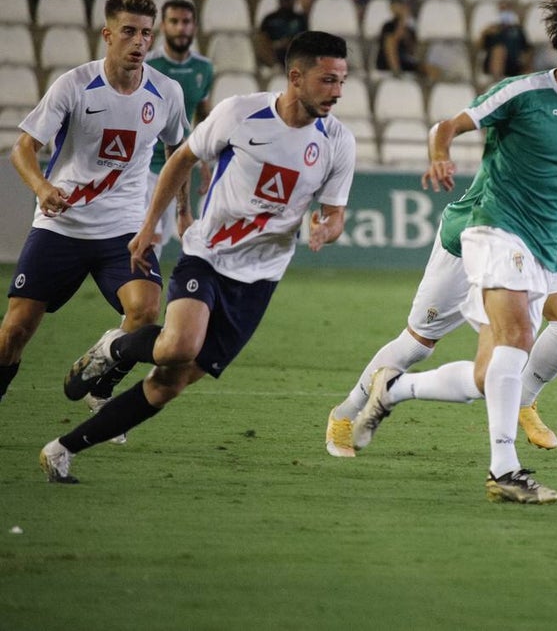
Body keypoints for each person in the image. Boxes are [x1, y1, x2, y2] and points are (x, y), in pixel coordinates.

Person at [41, 31, 357, 484]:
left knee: (168, 384)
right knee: (176, 346)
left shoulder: (338, 142)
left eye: (342, 82)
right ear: (296, 77)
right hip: (207, 255)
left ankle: (62, 449)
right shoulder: (240, 113)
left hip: (259, 280)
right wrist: (152, 224)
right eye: (328, 81)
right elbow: (180, 159)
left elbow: (335, 213)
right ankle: (115, 346)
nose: (338, 92)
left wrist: (327, 228)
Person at [360, 0, 557, 504]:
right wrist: (439, 156)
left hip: (541, 236)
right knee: (517, 337)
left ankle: (394, 389)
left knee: (556, 331)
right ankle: (504, 470)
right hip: (495, 226)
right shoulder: (523, 93)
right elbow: (448, 127)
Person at [325, 179, 557, 458]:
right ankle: (346, 413)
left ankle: (521, 404)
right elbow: (541, 201)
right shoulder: (531, 116)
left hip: (529, 237)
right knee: (418, 343)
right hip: (475, 234)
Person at [0, 0, 188, 413]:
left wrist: (183, 209)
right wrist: (43, 189)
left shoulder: (166, 93)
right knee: (15, 330)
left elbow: (181, 156)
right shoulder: (74, 85)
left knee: (145, 312)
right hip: (60, 227)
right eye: (129, 32)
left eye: (145, 33)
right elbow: (22, 149)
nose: (139, 42)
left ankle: (100, 386)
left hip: (121, 229)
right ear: (107, 35)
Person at [146, 0, 214, 257]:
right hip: (141, 166)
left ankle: (144, 296)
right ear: (163, 26)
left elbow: (204, 118)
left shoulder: (204, 68)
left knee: (157, 245)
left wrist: (205, 163)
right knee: (146, 240)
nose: (181, 28)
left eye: (186, 22)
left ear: (194, 26)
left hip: (177, 168)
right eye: (174, 22)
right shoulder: (148, 65)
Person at [374, 0, 441, 81]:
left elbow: (411, 50)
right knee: (391, 41)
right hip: (386, 62)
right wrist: (401, 21)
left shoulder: (410, 30)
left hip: (404, 60)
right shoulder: (388, 26)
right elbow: (392, 41)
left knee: (432, 69)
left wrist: (405, 25)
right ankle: (396, 71)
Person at [477, 0, 532, 81]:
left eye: (508, 10)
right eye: (503, 10)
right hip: (496, 65)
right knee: (499, 50)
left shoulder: (518, 30)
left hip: (514, 64)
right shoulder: (492, 30)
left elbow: (526, 48)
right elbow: (480, 47)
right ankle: (497, 79)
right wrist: (484, 34)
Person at [255, 0, 309, 69]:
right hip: (273, 52)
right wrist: (276, 44)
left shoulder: (300, 19)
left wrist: (289, 42)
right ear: (280, 0)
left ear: (293, 0)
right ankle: (275, 67)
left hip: (293, 53)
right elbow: (262, 38)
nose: (286, 2)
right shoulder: (269, 18)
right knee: (258, 40)